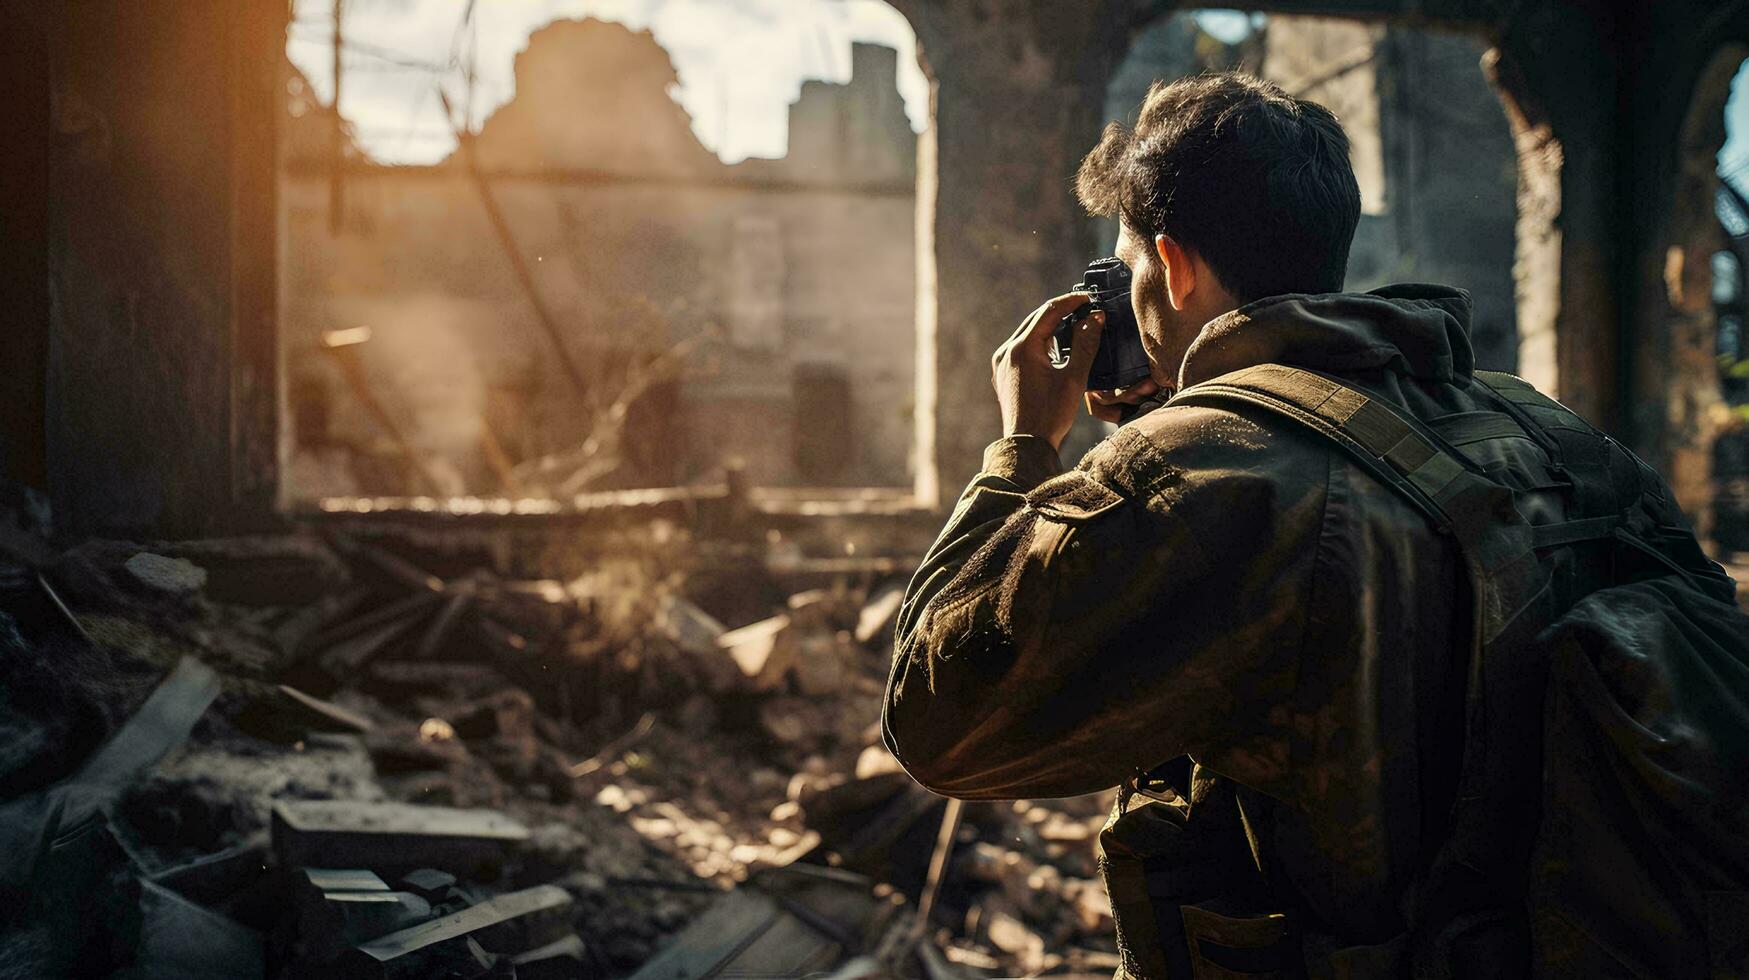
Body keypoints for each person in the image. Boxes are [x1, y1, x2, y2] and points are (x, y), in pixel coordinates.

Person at [880, 72, 1740, 977]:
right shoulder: (1550, 431)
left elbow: (936, 725)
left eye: (1132, 267)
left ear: (1171, 266)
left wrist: (1023, 445)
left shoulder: (1200, 478)